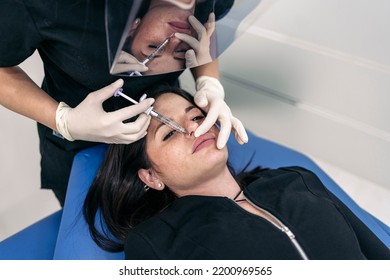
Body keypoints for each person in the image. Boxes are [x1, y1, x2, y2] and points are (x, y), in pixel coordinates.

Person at [83, 85, 390, 260]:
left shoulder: (294, 178)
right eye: (169, 133)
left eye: (197, 116)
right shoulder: (157, 242)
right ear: (151, 177)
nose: (192, 127)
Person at [0, 0, 246, 206]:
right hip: (78, 140)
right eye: (170, 133)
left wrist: (208, 82)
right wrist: (64, 119)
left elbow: (204, 28)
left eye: (195, 116)